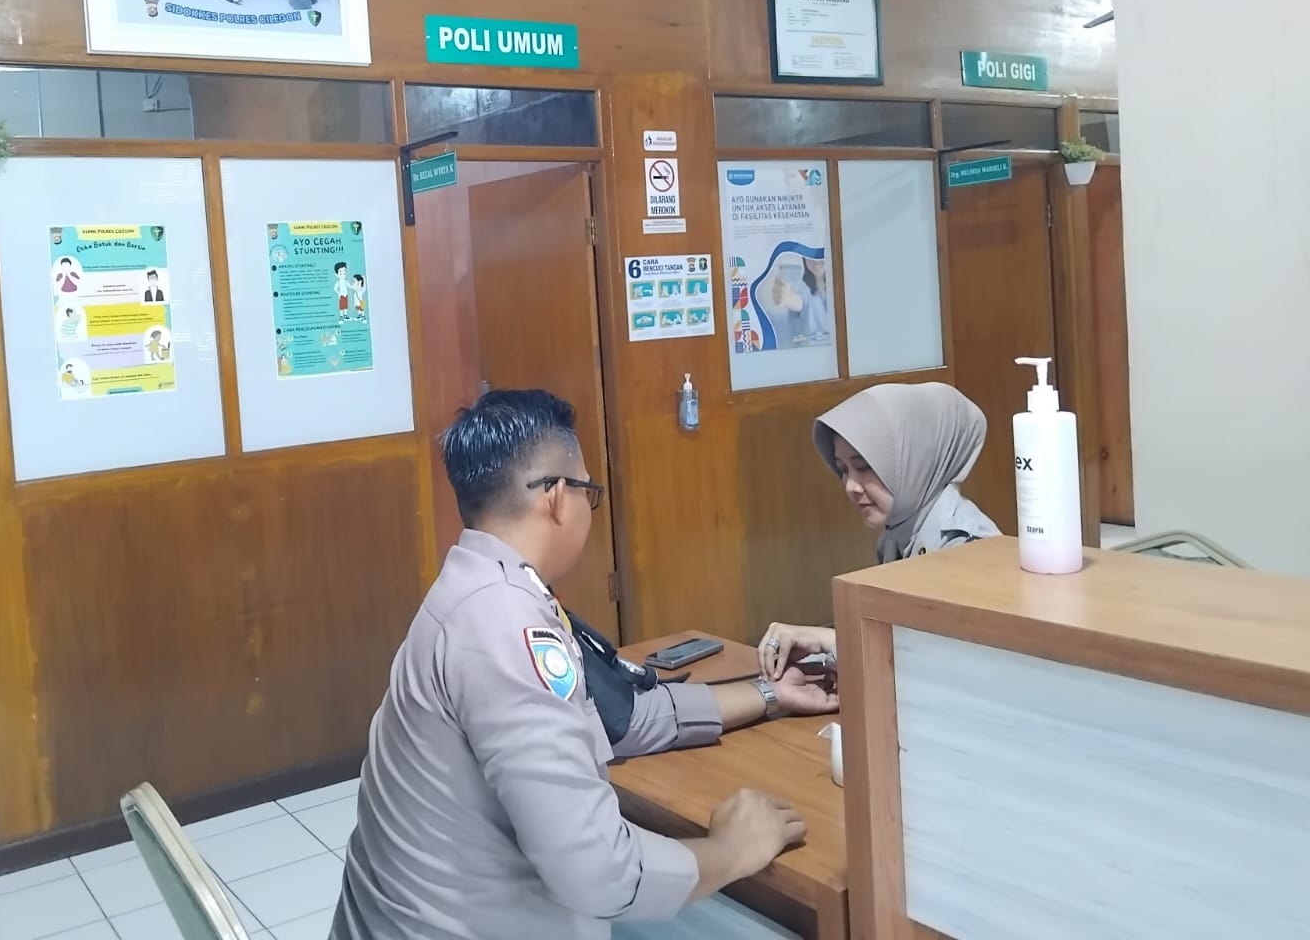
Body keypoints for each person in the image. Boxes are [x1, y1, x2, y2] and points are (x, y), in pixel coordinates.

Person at [332, 390, 823, 940]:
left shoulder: (481, 587)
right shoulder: (505, 626)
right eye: (590, 492)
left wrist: (771, 693)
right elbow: (601, 873)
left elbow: (619, 719)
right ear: (558, 498)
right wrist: (730, 850)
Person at [757, 382, 1000, 681]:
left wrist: (829, 641)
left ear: (915, 460)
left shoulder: (968, 546)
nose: (850, 486)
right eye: (843, 469)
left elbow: (946, 667)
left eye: (864, 467)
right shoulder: (897, 536)